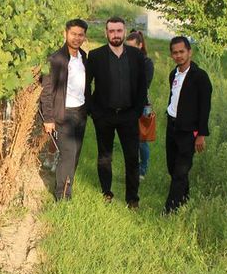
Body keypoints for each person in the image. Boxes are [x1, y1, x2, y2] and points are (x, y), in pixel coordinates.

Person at [86, 16, 149, 209]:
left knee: (132, 157)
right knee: (105, 156)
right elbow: (86, 85)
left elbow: (142, 86)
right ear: (106, 32)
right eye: (111, 31)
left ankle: (132, 198)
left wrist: (137, 111)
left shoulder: (136, 56)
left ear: (125, 31)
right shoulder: (95, 56)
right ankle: (106, 192)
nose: (115, 34)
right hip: (104, 115)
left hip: (129, 115)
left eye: (119, 31)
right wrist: (93, 111)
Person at [40, 18, 89, 200]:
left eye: (80, 35)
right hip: (63, 114)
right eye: (73, 34)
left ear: (84, 36)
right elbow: (46, 92)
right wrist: (48, 118)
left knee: (75, 154)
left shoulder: (83, 57)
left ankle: (68, 186)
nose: (77, 38)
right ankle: (62, 195)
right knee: (68, 154)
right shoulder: (55, 59)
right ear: (65, 34)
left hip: (80, 112)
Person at [164, 35, 212, 214]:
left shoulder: (200, 77)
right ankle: (184, 199)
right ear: (171, 55)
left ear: (189, 52)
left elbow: (205, 108)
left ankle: (170, 210)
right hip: (172, 126)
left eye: (182, 52)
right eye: (175, 53)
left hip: (189, 131)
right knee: (172, 168)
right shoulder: (173, 74)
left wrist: (201, 134)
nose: (179, 56)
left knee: (180, 171)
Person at [126, 29, 154, 178]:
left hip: (142, 106)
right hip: (127, 105)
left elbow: (144, 85)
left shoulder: (147, 63)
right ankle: (132, 169)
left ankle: (143, 169)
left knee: (142, 141)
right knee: (130, 139)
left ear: (140, 45)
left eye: (133, 47)